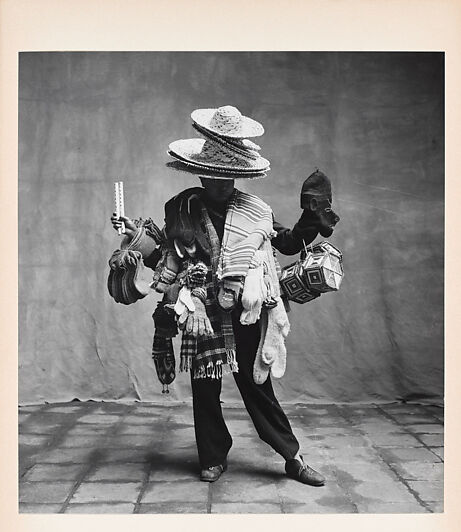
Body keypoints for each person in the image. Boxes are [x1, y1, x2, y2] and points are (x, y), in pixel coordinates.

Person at [110, 106, 339, 486]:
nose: (219, 184)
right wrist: (138, 238)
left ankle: (292, 457)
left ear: (237, 175)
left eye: (227, 177)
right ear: (200, 172)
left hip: (247, 307)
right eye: (213, 176)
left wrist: (310, 220)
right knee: (204, 386)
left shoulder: (255, 210)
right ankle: (213, 456)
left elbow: (285, 243)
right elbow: (166, 260)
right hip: (202, 309)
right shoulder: (181, 209)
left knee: (256, 383)